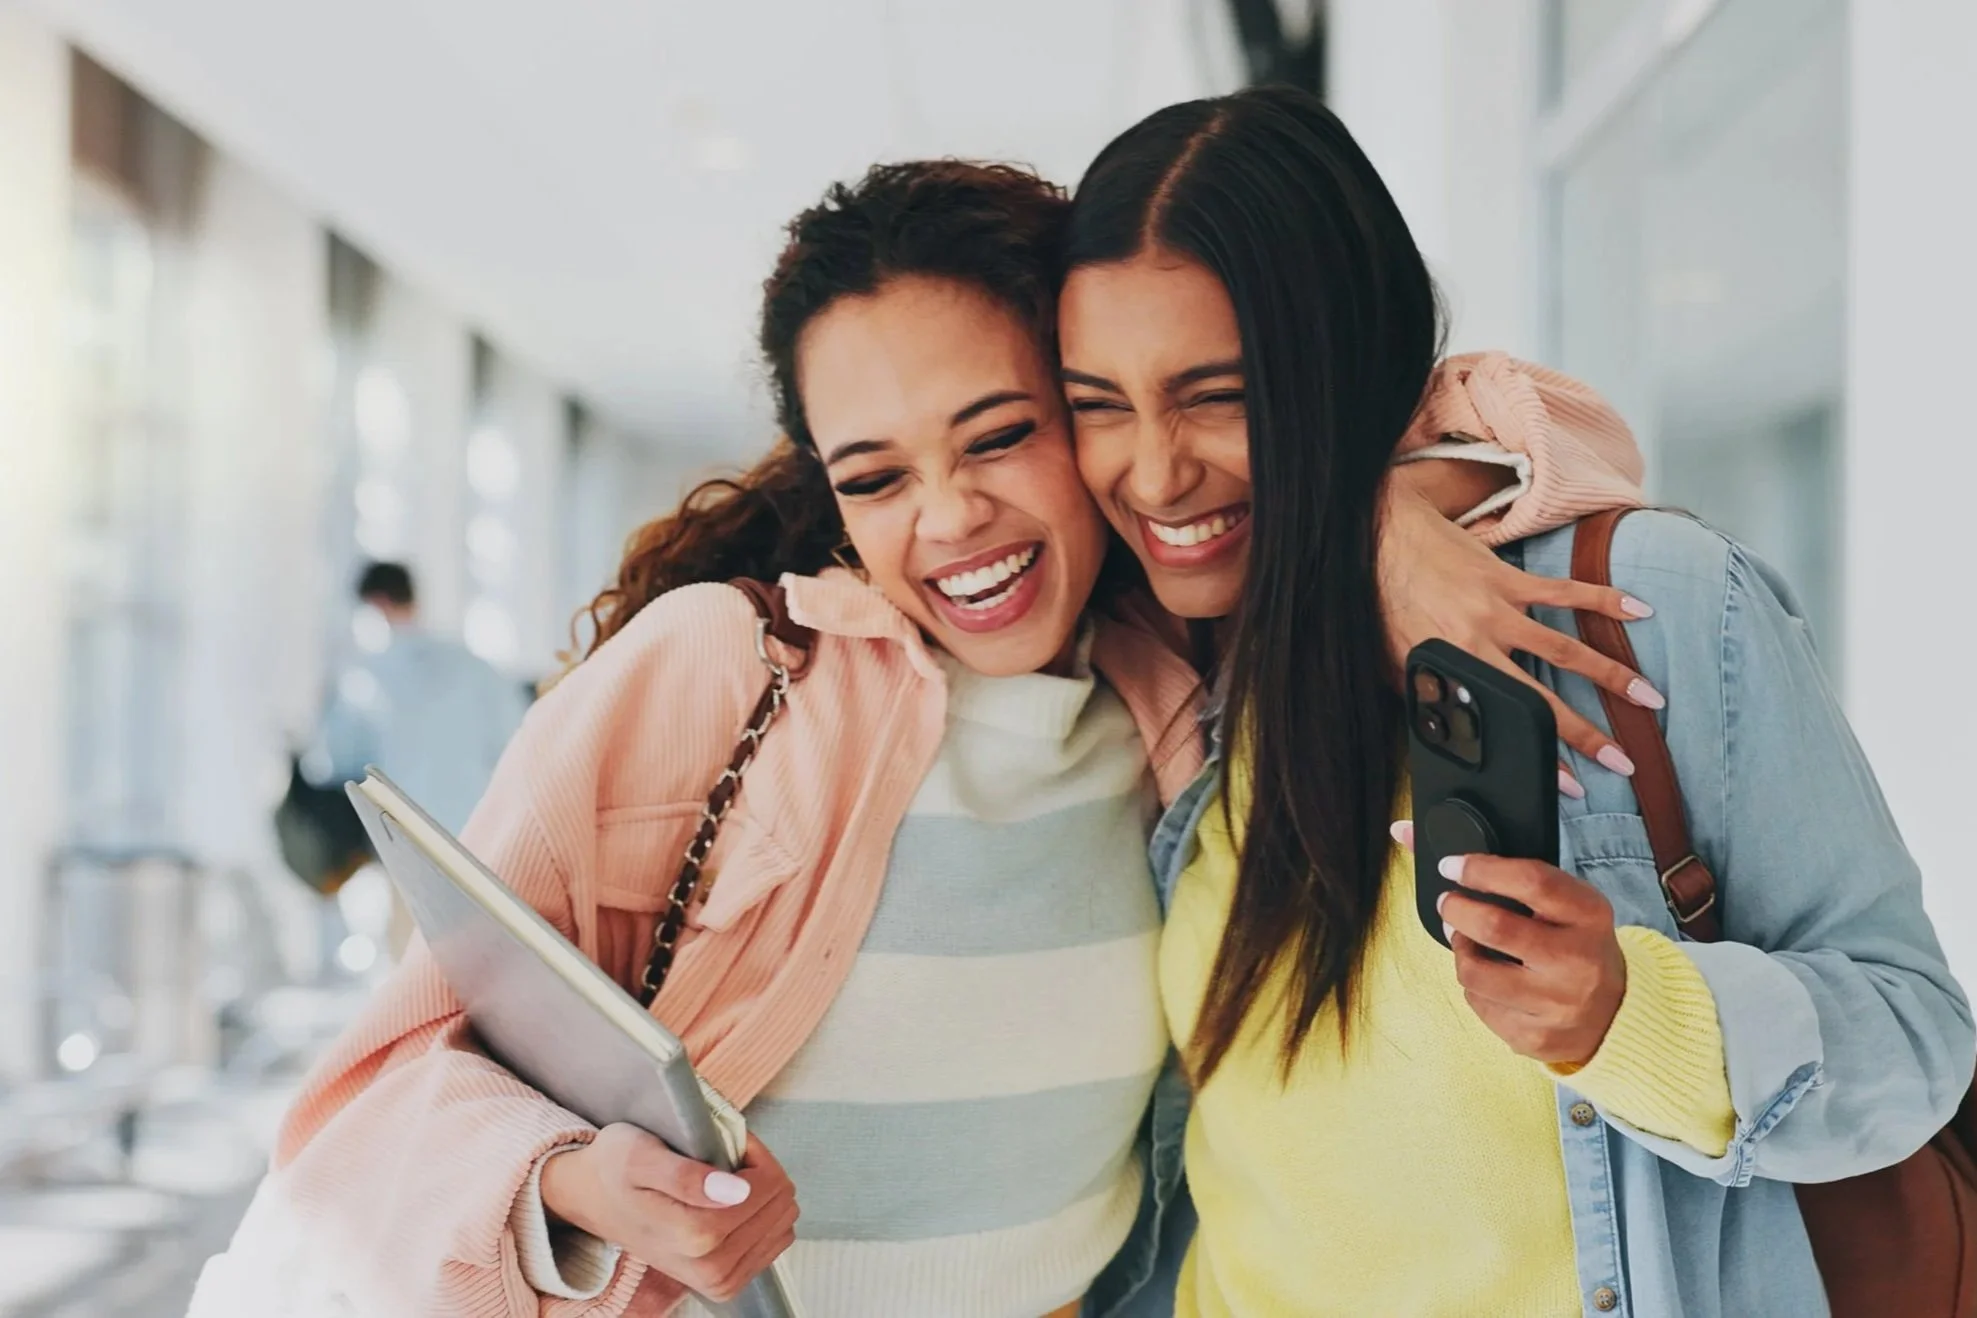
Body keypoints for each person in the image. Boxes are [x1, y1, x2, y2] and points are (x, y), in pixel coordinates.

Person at [195, 164, 1647, 1318]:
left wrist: (1385, 508)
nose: (950, 521)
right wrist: (572, 1180)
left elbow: (1570, 432)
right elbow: (370, 1094)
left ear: (1087, 411)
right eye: (877, 476)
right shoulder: (720, 668)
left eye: (1000, 435)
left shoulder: (1174, 683)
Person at [1056, 85, 1975, 1317]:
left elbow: (1915, 1042)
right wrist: (1378, 515)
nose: (1155, 471)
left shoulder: (1639, 603)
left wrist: (1627, 1015)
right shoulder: (1163, 667)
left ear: (1339, 367)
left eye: (1219, 395)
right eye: (1097, 404)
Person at [308, 562, 530, 836]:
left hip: (403, 840)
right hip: (482, 834)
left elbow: (329, 764)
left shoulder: (363, 679)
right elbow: (519, 745)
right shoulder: (476, 667)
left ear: (376, 604)